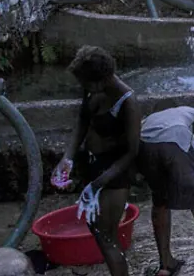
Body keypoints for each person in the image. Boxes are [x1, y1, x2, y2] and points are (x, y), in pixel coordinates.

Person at [53, 46, 141, 276]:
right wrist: (67, 158)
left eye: (85, 84)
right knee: (96, 229)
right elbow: (83, 120)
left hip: (115, 174)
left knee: (107, 237)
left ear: (101, 80)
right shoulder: (91, 89)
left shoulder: (127, 102)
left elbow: (132, 152)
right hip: (94, 165)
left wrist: (98, 183)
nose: (82, 88)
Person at [136, 102, 194, 276]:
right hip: (175, 142)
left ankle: (166, 264)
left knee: (160, 202)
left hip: (145, 146)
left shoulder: (149, 119)